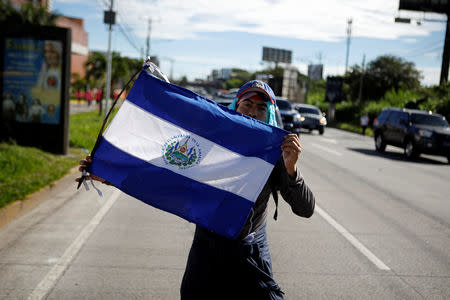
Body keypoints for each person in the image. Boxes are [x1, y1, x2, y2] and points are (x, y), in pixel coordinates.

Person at [76, 80, 315, 300]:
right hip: (208, 247)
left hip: (250, 250)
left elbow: (306, 209)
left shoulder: (275, 155)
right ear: (236, 106)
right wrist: (108, 173)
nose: (253, 111)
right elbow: (163, 173)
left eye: (261, 108)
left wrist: (292, 169)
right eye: (248, 104)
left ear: (269, 114)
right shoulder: (211, 142)